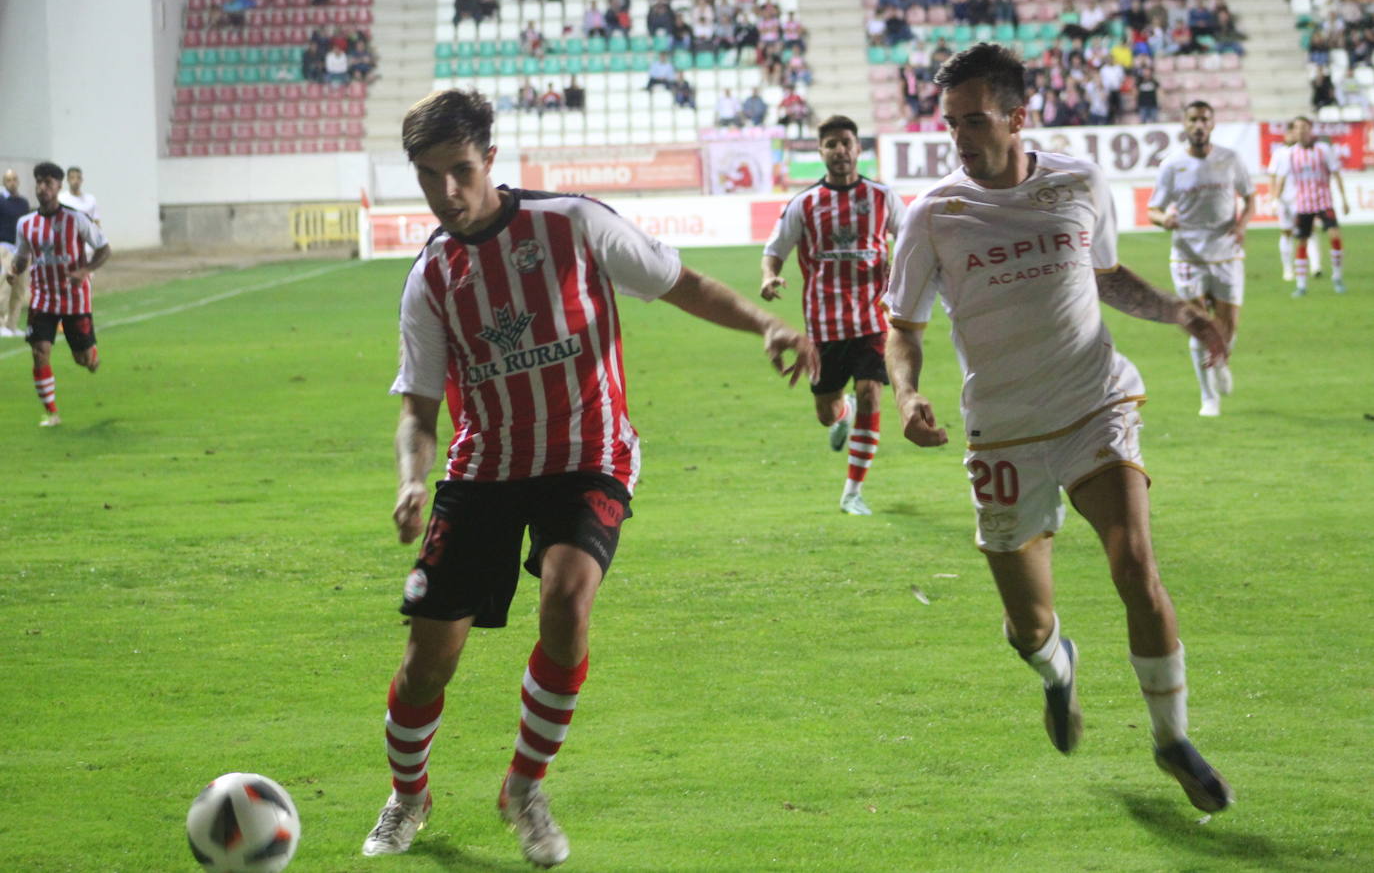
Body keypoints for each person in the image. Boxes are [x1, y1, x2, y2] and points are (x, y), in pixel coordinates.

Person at [360, 88, 817, 867]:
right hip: (486, 467)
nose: (447, 192)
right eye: (428, 177)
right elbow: (420, 409)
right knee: (428, 659)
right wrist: (411, 480)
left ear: (491, 161)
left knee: (568, 600)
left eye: (460, 171)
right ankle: (408, 795)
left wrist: (768, 321)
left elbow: (682, 284)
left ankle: (524, 787)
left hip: (589, 453)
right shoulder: (430, 276)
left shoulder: (571, 223)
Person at [883, 44, 1233, 814]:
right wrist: (906, 394)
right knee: (1027, 623)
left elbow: (1105, 277)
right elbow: (902, 328)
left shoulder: (1078, 181)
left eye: (974, 121)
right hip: (1004, 428)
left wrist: (1178, 313)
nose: (960, 138)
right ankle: (1057, 669)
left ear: (1018, 116)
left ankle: (1172, 738)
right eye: (951, 124)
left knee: (1135, 566)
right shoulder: (932, 215)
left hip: (1093, 402)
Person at [761, 115, 903, 515]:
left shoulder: (882, 197)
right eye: (831, 144)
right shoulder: (804, 203)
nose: (840, 150)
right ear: (821, 151)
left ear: (858, 148)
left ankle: (853, 492)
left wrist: (902, 273)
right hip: (824, 324)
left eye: (846, 142)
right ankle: (843, 414)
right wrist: (770, 276)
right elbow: (775, 248)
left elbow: (909, 239)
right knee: (826, 413)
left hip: (873, 318)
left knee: (871, 390)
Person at [1147, 101, 1254, 418]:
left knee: (1227, 326)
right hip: (1187, 255)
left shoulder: (1230, 159)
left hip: (1226, 253)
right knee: (1197, 324)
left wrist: (1242, 224)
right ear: (1184, 124)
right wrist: (1162, 220)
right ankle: (1209, 398)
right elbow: (1153, 209)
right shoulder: (1172, 164)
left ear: (1212, 124)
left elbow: (1250, 197)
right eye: (1192, 120)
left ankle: (1220, 360)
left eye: (1204, 120)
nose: (1198, 125)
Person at [7, 162, 111, 427]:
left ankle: (91, 355)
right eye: (39, 182)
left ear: (58, 187)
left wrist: (85, 270)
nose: (42, 188)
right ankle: (51, 413)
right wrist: (14, 270)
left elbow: (104, 249)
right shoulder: (25, 223)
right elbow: (22, 257)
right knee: (40, 351)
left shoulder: (76, 219)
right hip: (42, 298)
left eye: (48, 183)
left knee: (83, 360)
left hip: (74, 299)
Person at [1274, 116, 1350, 297]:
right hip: (1303, 204)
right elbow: (1281, 179)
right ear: (1293, 131)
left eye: (1304, 127)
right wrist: (1275, 200)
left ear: (1311, 129)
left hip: (1324, 201)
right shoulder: (1289, 154)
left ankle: (1337, 276)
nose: (1301, 131)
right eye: (1297, 128)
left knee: (1335, 235)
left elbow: (1336, 173)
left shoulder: (1323, 150)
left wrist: (1344, 199)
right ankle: (1301, 285)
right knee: (1302, 241)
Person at [1267, 120, 1321, 282]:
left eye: (1295, 131)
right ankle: (1288, 269)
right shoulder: (1280, 153)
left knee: (1309, 231)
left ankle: (1315, 266)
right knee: (1286, 232)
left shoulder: (1307, 152)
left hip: (1302, 198)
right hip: (1285, 200)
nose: (1293, 135)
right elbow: (1273, 176)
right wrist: (1274, 199)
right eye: (1290, 132)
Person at [0, 169, 32, 337]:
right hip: (4, 248)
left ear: (18, 181)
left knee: (19, 289)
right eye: (8, 180)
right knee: (4, 286)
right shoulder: (1, 201)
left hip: (21, 250)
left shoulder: (23, 203)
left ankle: (12, 324)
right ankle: (0, 323)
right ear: (4, 182)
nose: (11, 182)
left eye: (14, 179)